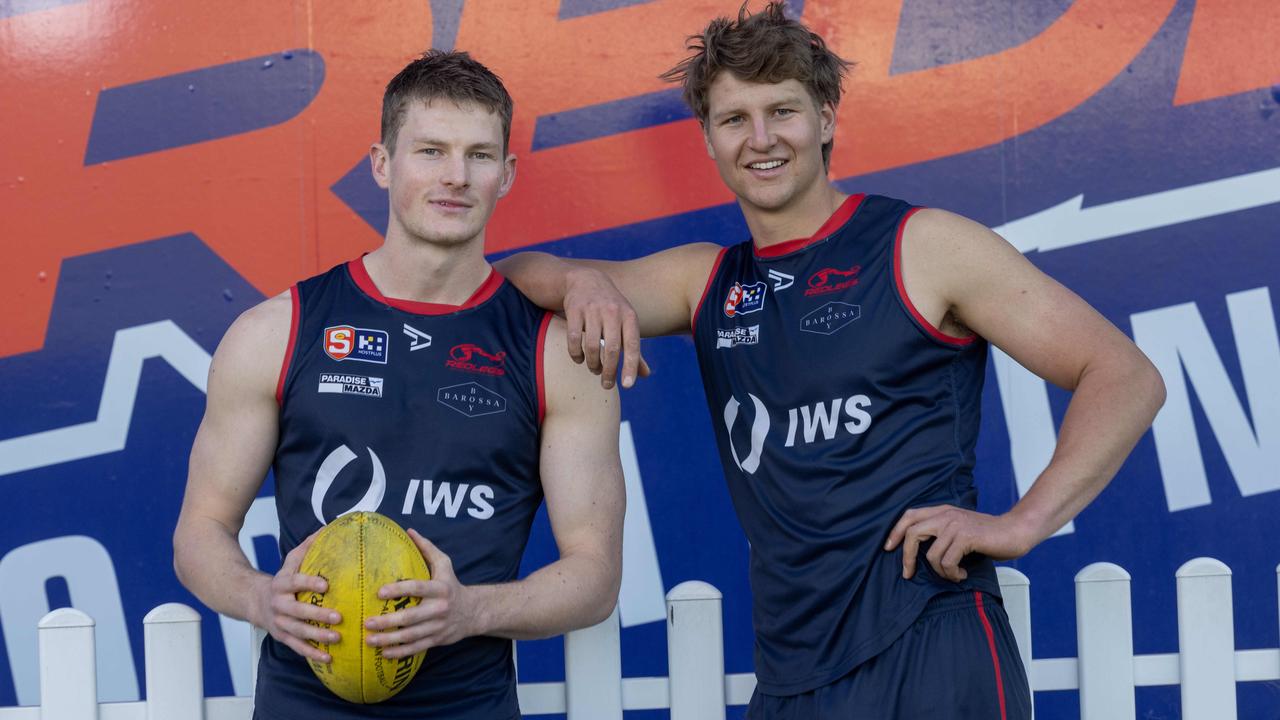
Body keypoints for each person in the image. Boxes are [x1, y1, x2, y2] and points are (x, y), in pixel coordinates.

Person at [494, 4, 1166, 718]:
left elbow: (1125, 377)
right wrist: (578, 281)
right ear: (708, 140)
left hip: (931, 647)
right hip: (792, 677)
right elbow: (506, 281)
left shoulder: (922, 246)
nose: (760, 139)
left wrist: (1023, 523)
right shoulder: (706, 282)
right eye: (734, 119)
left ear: (826, 117)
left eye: (781, 110)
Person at [173, 50, 625, 720]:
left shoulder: (555, 351)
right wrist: (256, 597)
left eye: (478, 155)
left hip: (467, 703)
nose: (455, 177)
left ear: (506, 174)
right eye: (431, 150)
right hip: (304, 703)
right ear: (383, 164)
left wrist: (471, 610)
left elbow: (595, 577)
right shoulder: (277, 332)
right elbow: (200, 528)